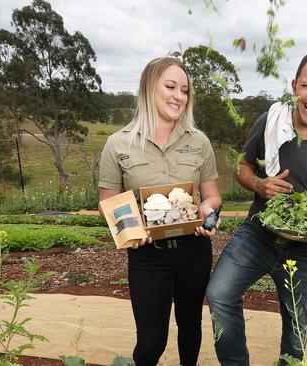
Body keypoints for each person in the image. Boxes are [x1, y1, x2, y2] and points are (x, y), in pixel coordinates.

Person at [206, 49, 307, 365]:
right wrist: (260, 185)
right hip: (258, 232)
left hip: (306, 250)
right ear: (294, 86)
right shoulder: (270, 121)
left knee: (295, 325)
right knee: (219, 293)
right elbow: (243, 167)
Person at [97, 57, 222, 366]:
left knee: (190, 327)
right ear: (148, 88)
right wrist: (131, 228)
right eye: (170, 86)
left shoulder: (199, 142)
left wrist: (208, 212)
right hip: (147, 255)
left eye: (184, 90)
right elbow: (107, 205)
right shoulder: (118, 144)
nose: (178, 96)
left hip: (194, 250)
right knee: (151, 342)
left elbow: (213, 197)